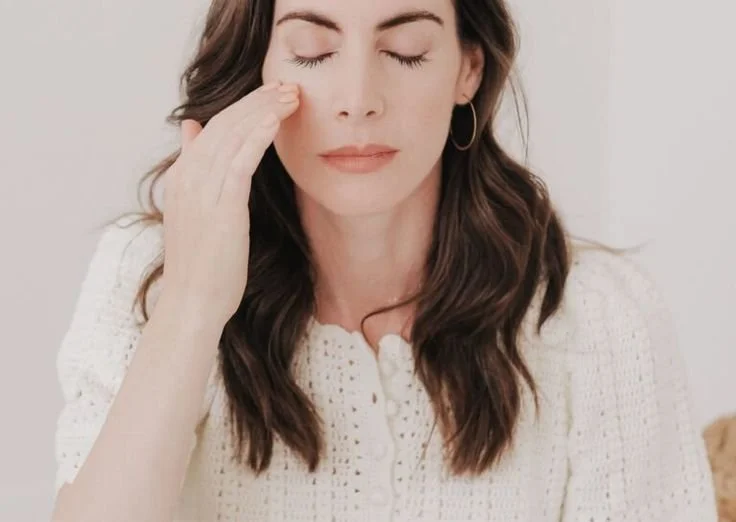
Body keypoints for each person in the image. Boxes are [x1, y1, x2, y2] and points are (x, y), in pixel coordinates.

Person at [50, 0, 719, 520]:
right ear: (258, 66)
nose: (358, 99)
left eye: (404, 52)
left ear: (468, 68)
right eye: (313, 53)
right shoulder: (146, 275)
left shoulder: (598, 318)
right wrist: (192, 307)